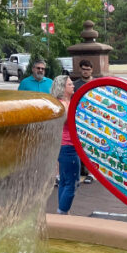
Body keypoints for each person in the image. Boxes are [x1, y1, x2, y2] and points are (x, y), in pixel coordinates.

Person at [51, 74, 79, 213]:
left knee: (64, 181)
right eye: (70, 84)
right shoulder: (63, 105)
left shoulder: (65, 103)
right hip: (68, 146)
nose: (73, 86)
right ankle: (62, 211)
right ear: (62, 88)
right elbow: (68, 121)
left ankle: (62, 211)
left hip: (64, 145)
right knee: (72, 182)